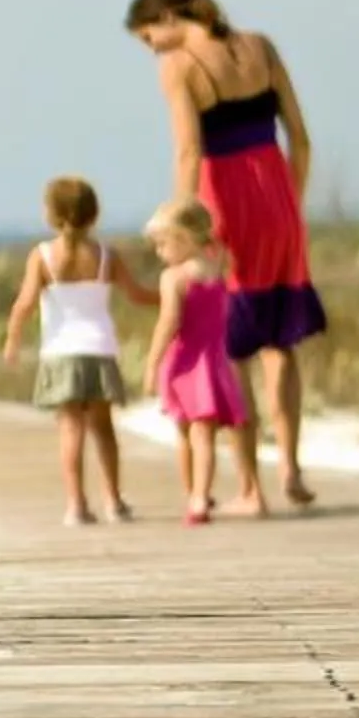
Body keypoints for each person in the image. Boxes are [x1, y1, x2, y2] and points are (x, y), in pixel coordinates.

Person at [124, 0, 326, 507]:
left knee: (230, 345)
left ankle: (250, 486)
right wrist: (290, 204)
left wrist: (181, 225)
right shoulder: (261, 46)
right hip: (278, 198)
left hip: (223, 205)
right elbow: (300, 139)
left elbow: (189, 152)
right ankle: (291, 469)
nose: (154, 51)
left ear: (168, 17)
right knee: (281, 343)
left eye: (151, 38)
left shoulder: (180, 66)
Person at [3, 176, 155, 527]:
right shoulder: (106, 256)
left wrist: (12, 338)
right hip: (99, 350)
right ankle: (114, 501)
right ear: (94, 214)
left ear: (50, 215)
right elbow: (136, 294)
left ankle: (76, 505)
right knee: (103, 429)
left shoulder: (42, 256)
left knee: (70, 429)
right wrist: (171, 297)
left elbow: (25, 302)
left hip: (60, 353)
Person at [143, 198, 265, 524]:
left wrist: (152, 362)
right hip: (216, 361)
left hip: (186, 362)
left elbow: (169, 322)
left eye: (163, 244)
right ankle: (200, 493)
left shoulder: (174, 277)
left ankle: (196, 497)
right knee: (205, 433)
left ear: (183, 239)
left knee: (188, 433)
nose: (159, 252)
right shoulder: (217, 268)